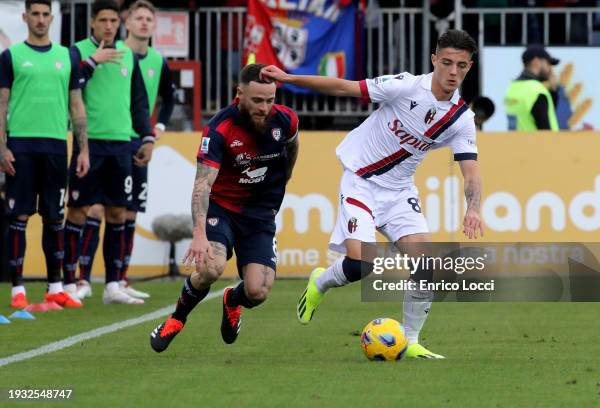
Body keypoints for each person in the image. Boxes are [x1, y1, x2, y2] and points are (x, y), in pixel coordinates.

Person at [262, 29, 483, 359]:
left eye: (461, 66)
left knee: (427, 267)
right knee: (363, 264)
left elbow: (471, 171)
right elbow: (343, 86)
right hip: (360, 181)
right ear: (434, 59)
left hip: (399, 192)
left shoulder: (462, 119)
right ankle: (320, 283)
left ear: (469, 66)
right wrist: (287, 78)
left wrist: (473, 208)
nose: (453, 72)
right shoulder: (405, 86)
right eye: (447, 63)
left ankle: (409, 342)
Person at [149, 64, 299, 353]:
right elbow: (202, 185)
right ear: (239, 94)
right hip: (224, 209)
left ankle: (232, 300)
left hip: (260, 215)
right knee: (211, 267)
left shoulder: (286, 120)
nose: (265, 107)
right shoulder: (220, 128)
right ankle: (177, 319)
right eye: (257, 100)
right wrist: (198, 233)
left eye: (270, 100)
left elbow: (292, 147)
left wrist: (286, 177)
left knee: (258, 291)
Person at [74, 0, 176, 301]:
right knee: (94, 208)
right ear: (126, 23)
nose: (144, 23)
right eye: (138, 18)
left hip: (137, 140)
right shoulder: (113, 53)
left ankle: (120, 280)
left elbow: (165, 99)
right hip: (108, 138)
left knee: (127, 211)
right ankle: (83, 279)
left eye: (149, 18)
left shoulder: (158, 60)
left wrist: (156, 131)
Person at [0, 0, 89, 308]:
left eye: (44, 14)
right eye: (34, 14)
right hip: (21, 146)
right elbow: (1, 106)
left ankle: (55, 288)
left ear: (52, 17)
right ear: (25, 17)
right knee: (18, 218)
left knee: (55, 219)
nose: (40, 19)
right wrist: (2, 146)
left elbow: (77, 106)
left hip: (54, 146)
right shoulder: (10, 56)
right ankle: (17, 291)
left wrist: (83, 149)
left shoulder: (67, 56)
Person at [504, 45, 560, 131]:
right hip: (539, 144)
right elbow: (545, 131)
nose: (550, 68)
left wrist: (553, 91)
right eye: (548, 63)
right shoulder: (537, 91)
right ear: (536, 62)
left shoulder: (512, 87)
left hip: (517, 143)